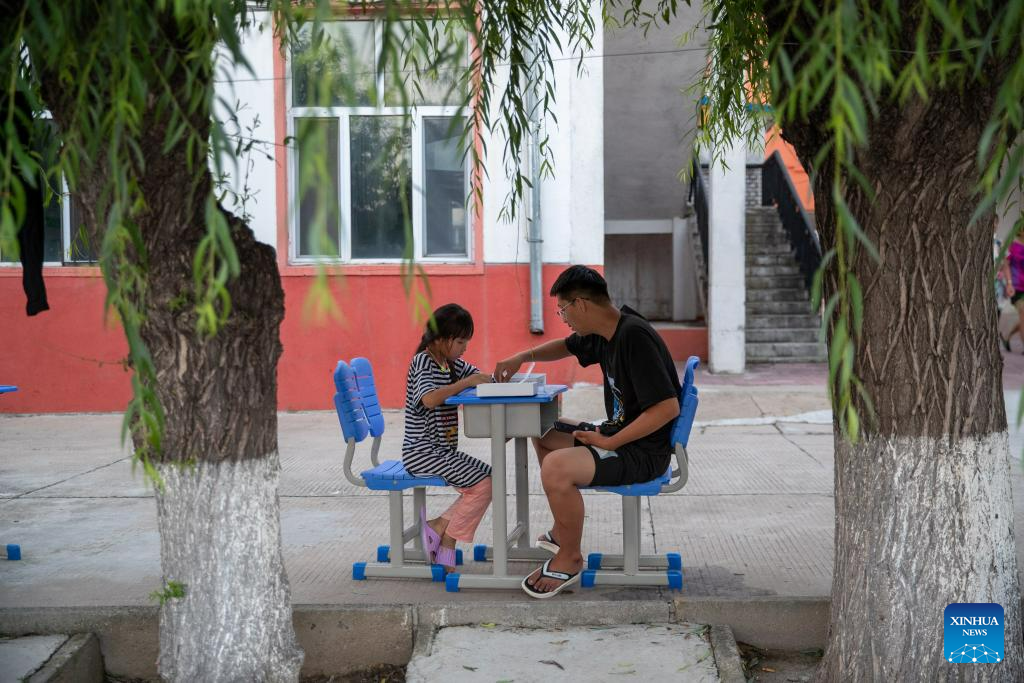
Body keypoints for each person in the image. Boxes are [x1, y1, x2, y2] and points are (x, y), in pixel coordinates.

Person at [493, 266, 682, 598]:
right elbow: (566, 346)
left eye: (562, 310)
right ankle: (562, 531)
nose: (563, 318)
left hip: (642, 452)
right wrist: (523, 356)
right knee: (545, 433)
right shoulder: (607, 332)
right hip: (621, 437)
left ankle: (570, 557)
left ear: (580, 304)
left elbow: (667, 408)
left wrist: (609, 441)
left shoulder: (634, 338)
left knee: (556, 467)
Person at [403, 303, 493, 572]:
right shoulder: (423, 361)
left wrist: (496, 378)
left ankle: (439, 526)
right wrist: (465, 383)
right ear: (441, 339)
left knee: (492, 478)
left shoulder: (450, 364)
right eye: (461, 342)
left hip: (443, 452)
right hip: (422, 453)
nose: (465, 348)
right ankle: (448, 542)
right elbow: (429, 399)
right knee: (484, 484)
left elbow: (478, 377)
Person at [1000, 232, 1024, 353]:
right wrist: (1009, 283)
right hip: (1017, 287)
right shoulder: (1012, 244)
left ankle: (1007, 336)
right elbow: (1006, 264)